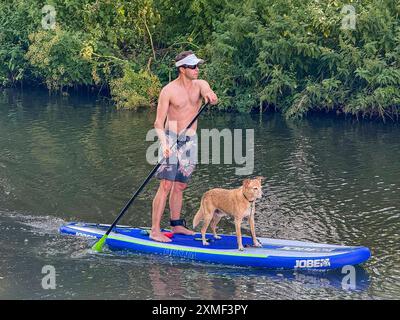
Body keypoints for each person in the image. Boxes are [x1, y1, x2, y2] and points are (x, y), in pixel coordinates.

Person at [150, 51, 218, 242]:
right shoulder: (168, 91)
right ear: (182, 69)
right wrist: (164, 145)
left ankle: (176, 224)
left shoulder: (200, 84)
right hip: (170, 139)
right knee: (165, 185)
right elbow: (157, 123)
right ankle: (155, 230)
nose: (197, 69)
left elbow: (208, 91)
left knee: (180, 185)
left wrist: (210, 96)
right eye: (193, 66)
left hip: (190, 141)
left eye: (197, 66)